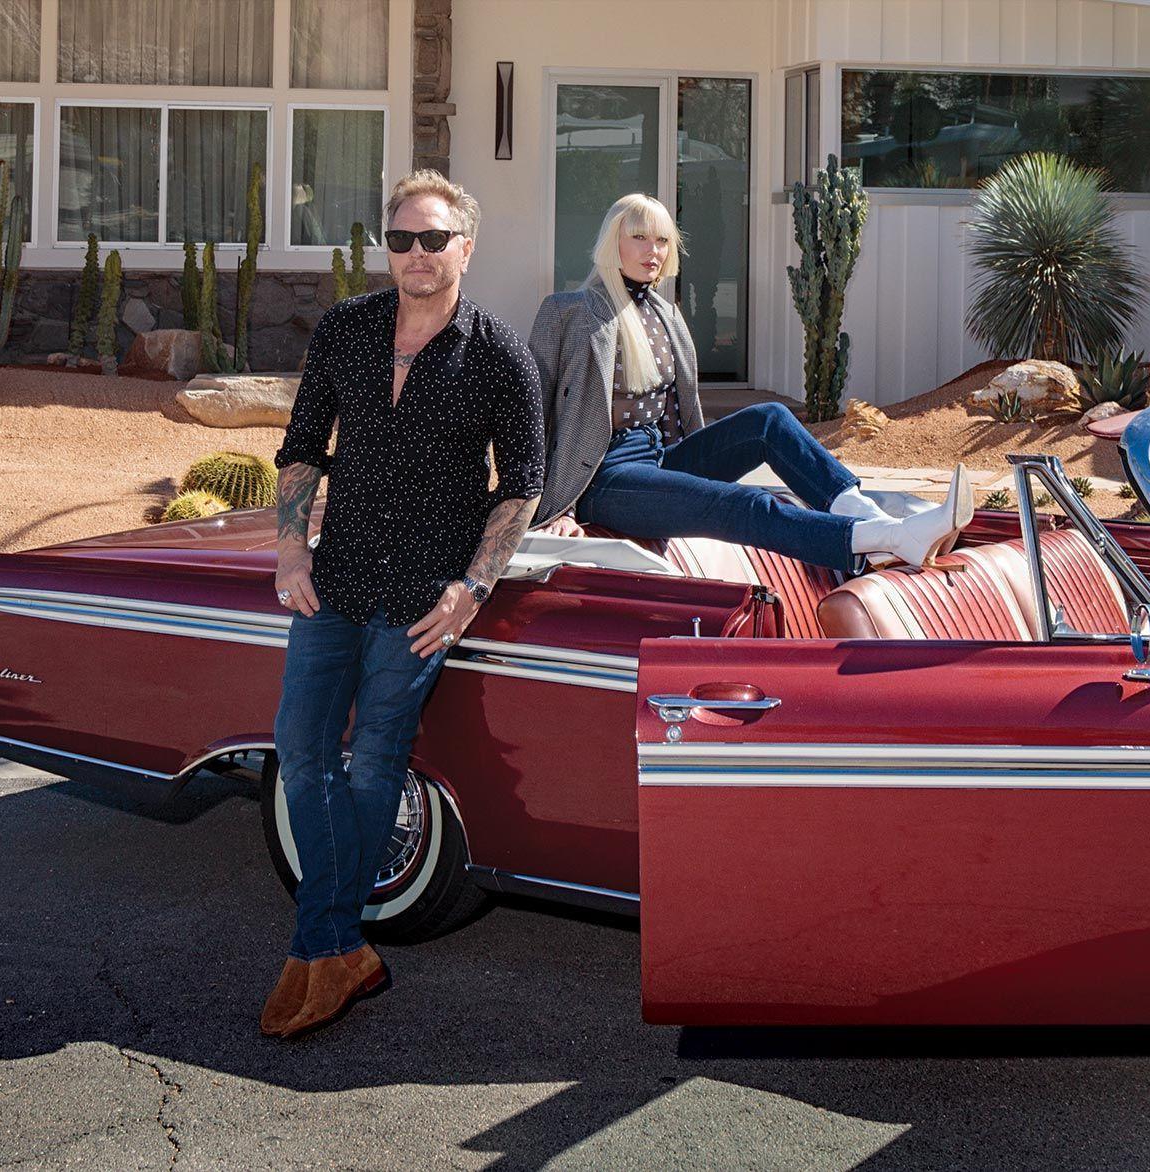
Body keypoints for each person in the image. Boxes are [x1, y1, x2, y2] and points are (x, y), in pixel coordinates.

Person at [265, 170, 545, 1039]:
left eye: (433, 239)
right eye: (401, 240)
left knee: (377, 758)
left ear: (467, 245)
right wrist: (287, 545)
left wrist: (472, 589)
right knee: (302, 754)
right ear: (384, 246)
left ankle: (323, 951)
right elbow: (303, 444)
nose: (416, 255)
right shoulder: (347, 328)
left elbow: (522, 486)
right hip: (335, 575)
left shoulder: (500, 353)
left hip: (424, 594)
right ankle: (339, 947)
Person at [528, 193, 970, 571]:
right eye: (639, 237)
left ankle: (875, 519)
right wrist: (553, 507)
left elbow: (681, 417)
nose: (653, 250)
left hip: (661, 459)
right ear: (613, 243)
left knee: (770, 420)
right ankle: (881, 540)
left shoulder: (666, 315)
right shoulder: (568, 311)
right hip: (606, 479)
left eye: (662, 239)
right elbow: (532, 415)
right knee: (741, 504)